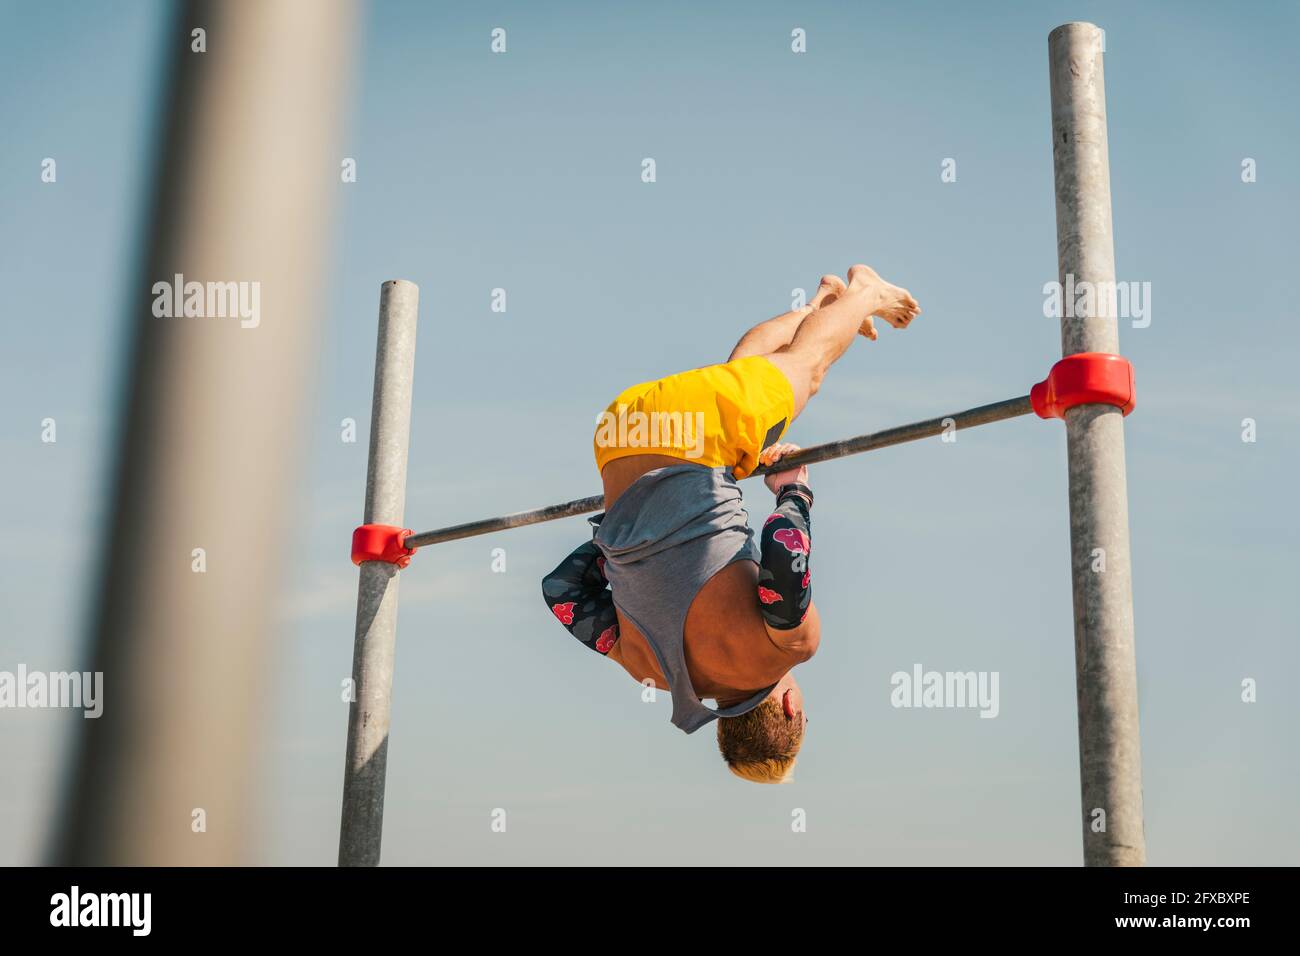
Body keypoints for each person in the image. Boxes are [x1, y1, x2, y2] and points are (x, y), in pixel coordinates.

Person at [542, 265, 919, 782]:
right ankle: (822, 309)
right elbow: (561, 591)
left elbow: (784, 552)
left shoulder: (783, 649)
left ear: (790, 710)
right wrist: (618, 534)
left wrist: (793, 489)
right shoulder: (645, 669)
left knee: (807, 368)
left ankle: (864, 291)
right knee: (751, 380)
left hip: (690, 438)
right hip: (618, 434)